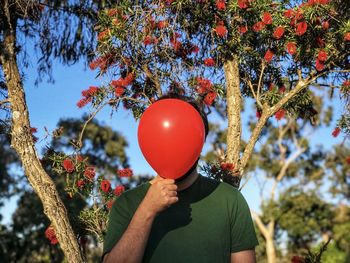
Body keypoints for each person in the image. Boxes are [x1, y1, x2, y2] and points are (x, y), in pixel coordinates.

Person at [102, 93, 258, 263]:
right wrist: (146, 211)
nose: (174, 144)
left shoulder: (230, 200)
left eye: (185, 134)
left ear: (201, 140)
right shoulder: (127, 203)